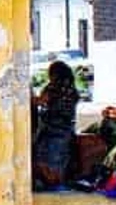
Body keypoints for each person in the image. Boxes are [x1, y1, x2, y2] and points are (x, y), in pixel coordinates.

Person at [32, 61, 80, 190]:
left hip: (52, 131)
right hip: (67, 131)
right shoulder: (72, 89)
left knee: (46, 164)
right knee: (59, 163)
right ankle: (59, 189)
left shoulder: (53, 87)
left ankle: (51, 190)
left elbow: (41, 101)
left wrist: (29, 99)